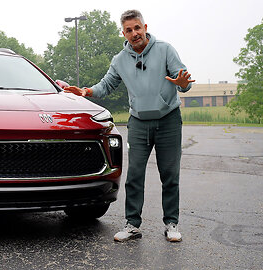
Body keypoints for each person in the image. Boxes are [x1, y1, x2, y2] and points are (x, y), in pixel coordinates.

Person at [64, 9, 194, 242]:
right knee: (134, 175)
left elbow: (182, 80)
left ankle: (171, 223)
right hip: (139, 122)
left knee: (170, 174)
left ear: (145, 27)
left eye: (137, 28)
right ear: (123, 33)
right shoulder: (120, 60)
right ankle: (132, 224)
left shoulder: (165, 50)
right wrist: (85, 91)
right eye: (129, 30)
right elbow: (106, 85)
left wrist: (183, 84)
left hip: (168, 120)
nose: (134, 33)